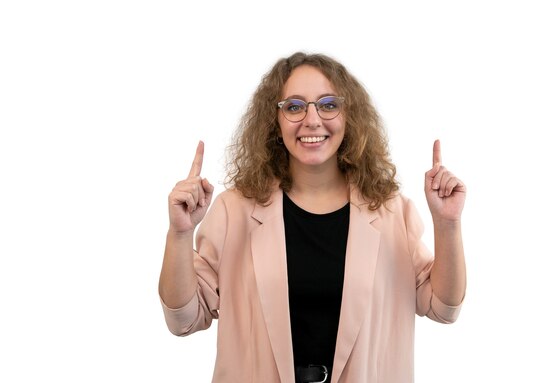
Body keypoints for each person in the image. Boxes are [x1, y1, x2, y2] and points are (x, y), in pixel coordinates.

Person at [159, 52, 466, 383]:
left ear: (349, 116)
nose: (312, 119)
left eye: (328, 104)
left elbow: (443, 308)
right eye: (294, 107)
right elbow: (184, 319)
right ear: (274, 122)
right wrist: (179, 234)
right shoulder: (233, 211)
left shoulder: (393, 212)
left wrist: (447, 224)